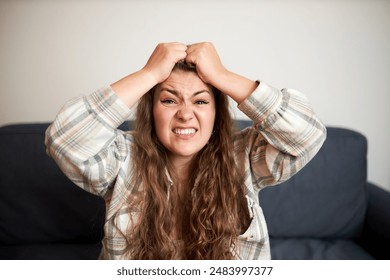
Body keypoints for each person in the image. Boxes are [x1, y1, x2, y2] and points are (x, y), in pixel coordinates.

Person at [45, 42, 326, 260]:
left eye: (201, 102)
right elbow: (64, 139)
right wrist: (149, 74)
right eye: (169, 100)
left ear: (217, 113)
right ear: (151, 111)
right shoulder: (121, 157)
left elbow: (308, 134)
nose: (185, 115)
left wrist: (221, 75)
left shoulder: (245, 156)